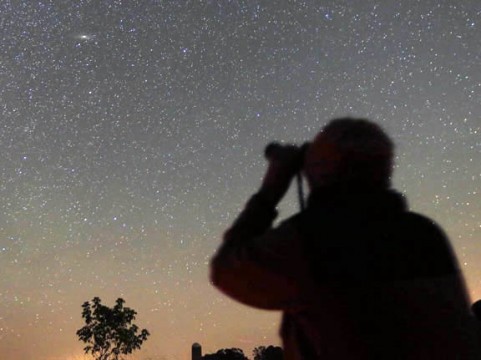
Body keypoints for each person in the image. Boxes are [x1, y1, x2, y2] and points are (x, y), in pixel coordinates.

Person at [210, 118, 481, 359]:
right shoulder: (426, 235)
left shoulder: (311, 241)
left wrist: (270, 190)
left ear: (318, 169)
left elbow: (225, 270)